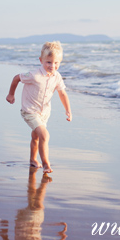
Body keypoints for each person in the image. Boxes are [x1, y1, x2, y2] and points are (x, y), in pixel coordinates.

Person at [6, 41, 72, 174]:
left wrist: (68, 110)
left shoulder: (57, 77)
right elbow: (16, 78)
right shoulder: (34, 75)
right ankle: (46, 164)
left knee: (36, 136)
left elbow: (62, 93)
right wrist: (11, 94)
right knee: (45, 135)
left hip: (44, 113)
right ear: (41, 60)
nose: (52, 66)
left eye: (56, 63)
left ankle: (32, 159)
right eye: (48, 62)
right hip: (29, 111)